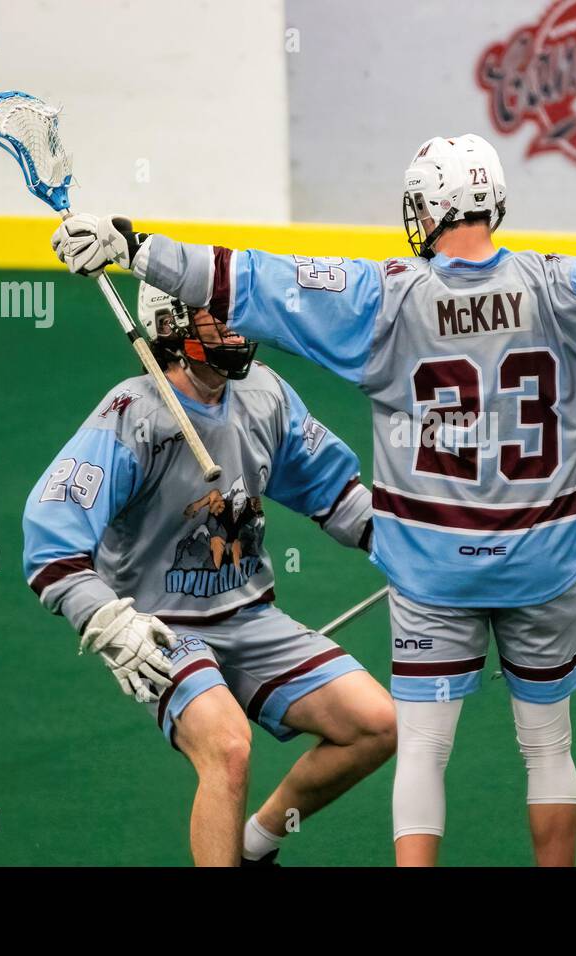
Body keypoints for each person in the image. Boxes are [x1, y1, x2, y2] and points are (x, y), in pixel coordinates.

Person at [50, 138, 576, 866]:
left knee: (420, 749)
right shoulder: (569, 289)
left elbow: (261, 281)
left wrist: (136, 244)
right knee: (549, 749)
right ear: (494, 202)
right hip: (546, 565)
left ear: (424, 213)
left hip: (434, 570)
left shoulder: (385, 298)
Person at [22, 281, 394, 866]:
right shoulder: (132, 416)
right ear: (171, 330)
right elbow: (50, 539)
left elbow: (336, 493)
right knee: (227, 749)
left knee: (374, 723)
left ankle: (255, 845)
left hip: (251, 618)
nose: (238, 329)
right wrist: (105, 618)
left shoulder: (264, 394)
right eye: (217, 318)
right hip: (162, 632)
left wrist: (413, 550)